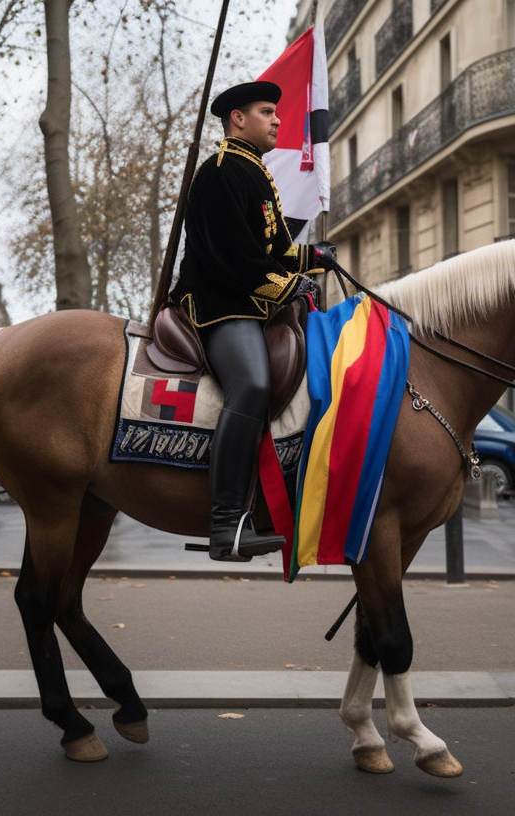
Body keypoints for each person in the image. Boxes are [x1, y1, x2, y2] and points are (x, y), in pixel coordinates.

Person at [169, 80, 332, 562]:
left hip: (248, 301)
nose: (278, 120)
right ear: (237, 118)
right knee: (254, 384)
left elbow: (276, 248)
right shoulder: (220, 171)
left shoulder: (255, 172)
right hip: (219, 304)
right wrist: (286, 287)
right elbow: (233, 260)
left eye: (276, 112)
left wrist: (315, 258)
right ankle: (225, 524)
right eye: (267, 112)